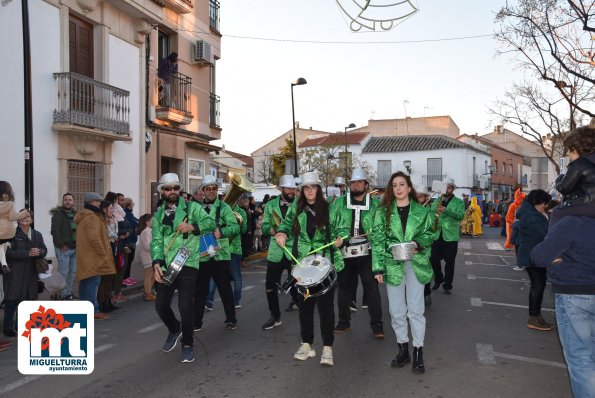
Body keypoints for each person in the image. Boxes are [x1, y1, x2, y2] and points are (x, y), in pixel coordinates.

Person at [275, 171, 346, 367]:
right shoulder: (295, 210)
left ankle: (327, 347)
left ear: (318, 189)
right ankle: (307, 343)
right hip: (302, 265)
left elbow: (341, 229)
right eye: (306, 188)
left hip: (325, 264)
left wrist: (340, 239)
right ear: (302, 191)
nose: (309, 191)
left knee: (326, 308)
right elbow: (286, 225)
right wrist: (281, 233)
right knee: (305, 307)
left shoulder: (330, 209)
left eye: (313, 187)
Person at [372, 171, 434, 374]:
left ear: (409, 188)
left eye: (402, 184)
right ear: (392, 189)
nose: (398, 188)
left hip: (416, 263)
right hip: (392, 264)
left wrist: (418, 242)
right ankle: (403, 349)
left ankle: (418, 352)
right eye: (395, 185)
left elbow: (429, 234)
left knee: (415, 310)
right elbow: (378, 240)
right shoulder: (383, 212)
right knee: (396, 310)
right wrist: (378, 268)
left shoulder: (421, 211)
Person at [151, 173, 215, 363]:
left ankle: (187, 344)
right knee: (160, 305)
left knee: (185, 305)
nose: (172, 191)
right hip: (168, 264)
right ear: (162, 191)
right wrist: (156, 262)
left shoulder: (192, 207)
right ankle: (174, 328)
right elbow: (156, 241)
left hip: (188, 260)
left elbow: (210, 223)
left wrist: (192, 227)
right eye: (168, 188)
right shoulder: (158, 215)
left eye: (176, 188)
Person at [531, 215, 595, 398]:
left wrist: (561, 258)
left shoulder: (573, 222)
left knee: (582, 360)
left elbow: (539, 256)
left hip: (576, 292)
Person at [332, 167, 384, 338]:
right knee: (343, 289)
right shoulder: (339, 202)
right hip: (344, 251)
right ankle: (344, 322)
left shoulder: (376, 204)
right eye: (353, 182)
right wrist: (337, 239)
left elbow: (381, 228)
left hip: (367, 252)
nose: (355, 185)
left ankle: (377, 325)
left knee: (372, 290)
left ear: (366, 184)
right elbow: (331, 225)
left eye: (359, 182)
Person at [193, 175, 240, 331]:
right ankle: (196, 322)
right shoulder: (196, 208)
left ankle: (231, 319)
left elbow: (235, 228)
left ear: (216, 189)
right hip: (202, 253)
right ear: (203, 191)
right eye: (208, 188)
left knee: (224, 288)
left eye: (214, 188)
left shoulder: (224, 207)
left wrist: (223, 231)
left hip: (220, 254)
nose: (211, 191)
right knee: (200, 289)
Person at [261, 175, 301, 330]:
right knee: (270, 285)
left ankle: (301, 307)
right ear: (281, 189)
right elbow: (265, 224)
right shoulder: (270, 205)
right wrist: (268, 229)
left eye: (293, 188)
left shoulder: (300, 204)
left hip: (295, 250)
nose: (291, 191)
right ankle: (275, 316)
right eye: (288, 188)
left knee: (299, 284)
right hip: (276, 252)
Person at [3, 210, 46, 337]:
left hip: (31, 272)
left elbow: (44, 249)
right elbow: (7, 253)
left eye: (28, 216)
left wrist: (39, 252)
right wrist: (26, 253)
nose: (25, 218)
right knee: (12, 299)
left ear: (32, 220)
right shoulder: (11, 234)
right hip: (14, 272)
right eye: (23, 216)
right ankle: (8, 326)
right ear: (18, 219)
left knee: (27, 299)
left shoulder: (37, 234)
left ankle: (21, 324)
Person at [516, 189, 553, 331]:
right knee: (538, 285)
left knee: (539, 285)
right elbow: (545, 233)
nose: (545, 206)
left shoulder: (530, 212)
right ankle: (533, 317)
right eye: (544, 203)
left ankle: (536, 316)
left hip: (533, 254)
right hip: (533, 255)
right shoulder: (531, 215)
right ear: (538, 202)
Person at [75, 192, 116, 320]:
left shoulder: (86, 216)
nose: (100, 204)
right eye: (98, 202)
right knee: (93, 284)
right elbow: (94, 239)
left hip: (87, 256)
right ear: (92, 202)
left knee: (86, 283)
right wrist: (103, 253)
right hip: (93, 257)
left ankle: (85, 309)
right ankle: (93, 310)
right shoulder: (92, 217)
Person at [549, 126, 595, 227]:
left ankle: (551, 241)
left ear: (574, 149)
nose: (568, 154)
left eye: (569, 151)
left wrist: (559, 179)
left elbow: (564, 188)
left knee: (557, 212)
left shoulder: (579, 163)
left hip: (590, 204)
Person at [429, 178, 465, 294]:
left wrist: (447, 210)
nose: (447, 189)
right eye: (445, 187)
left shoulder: (459, 202)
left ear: (453, 189)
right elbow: (430, 214)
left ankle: (447, 285)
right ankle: (439, 278)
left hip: (450, 236)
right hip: (437, 234)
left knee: (450, 263)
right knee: (433, 259)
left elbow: (460, 216)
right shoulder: (437, 200)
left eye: (449, 187)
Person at [50, 193, 77, 300]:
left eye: (70, 200)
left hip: (74, 248)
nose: (68, 201)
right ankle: (62, 294)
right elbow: (54, 231)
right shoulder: (58, 214)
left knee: (72, 272)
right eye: (65, 199)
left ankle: (68, 292)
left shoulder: (75, 214)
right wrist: (61, 245)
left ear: (73, 202)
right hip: (63, 248)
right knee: (63, 273)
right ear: (63, 201)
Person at [0, 181, 27, 273]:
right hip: (6, 233)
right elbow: (13, 217)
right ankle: (3, 264)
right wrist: (23, 213)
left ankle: (3, 263)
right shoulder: (9, 204)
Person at [414, 184, 434, 308]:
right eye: (416, 196)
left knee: (424, 272)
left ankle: (426, 293)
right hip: (411, 247)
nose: (417, 199)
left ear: (426, 197)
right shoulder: (411, 210)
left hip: (424, 248)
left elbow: (430, 231)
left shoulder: (429, 212)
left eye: (420, 196)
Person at [136, 213, 155, 301]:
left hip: (152, 256)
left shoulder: (150, 230)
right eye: (152, 220)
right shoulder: (146, 232)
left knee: (153, 275)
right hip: (148, 257)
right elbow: (147, 246)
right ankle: (147, 293)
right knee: (148, 275)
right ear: (147, 222)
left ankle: (148, 291)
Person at [122, 197, 139, 287]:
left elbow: (137, 221)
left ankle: (127, 276)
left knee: (130, 260)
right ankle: (125, 278)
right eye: (132, 204)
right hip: (130, 240)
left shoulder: (129, 213)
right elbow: (134, 223)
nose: (133, 205)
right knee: (128, 260)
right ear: (129, 204)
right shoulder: (127, 213)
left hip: (132, 239)